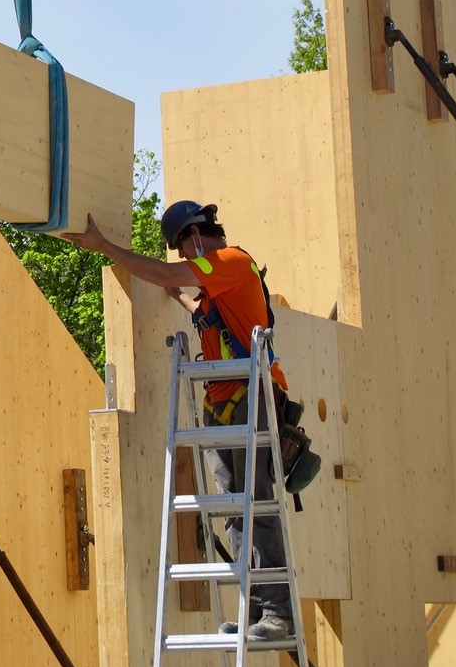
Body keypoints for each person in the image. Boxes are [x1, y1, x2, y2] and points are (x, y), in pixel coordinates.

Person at [62, 200, 293, 643]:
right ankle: (256, 611)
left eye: (183, 249)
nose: (184, 259)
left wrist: (105, 246)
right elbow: (201, 309)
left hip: (250, 398)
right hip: (225, 403)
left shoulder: (232, 261)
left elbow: (168, 275)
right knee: (234, 511)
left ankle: (279, 613)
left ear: (196, 235)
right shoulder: (214, 288)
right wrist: (182, 298)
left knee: (257, 505)